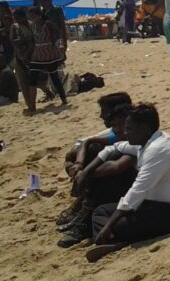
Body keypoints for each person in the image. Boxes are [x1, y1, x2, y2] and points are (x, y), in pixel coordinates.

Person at [86, 104, 170, 262]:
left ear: (144, 129)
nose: (125, 133)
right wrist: (85, 172)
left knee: (115, 224)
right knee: (100, 212)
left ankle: (115, 239)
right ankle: (114, 239)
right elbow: (114, 147)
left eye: (129, 129)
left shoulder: (158, 149)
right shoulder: (145, 143)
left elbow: (137, 190)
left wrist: (109, 226)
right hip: (155, 204)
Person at [58, 103, 138, 247]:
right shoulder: (119, 138)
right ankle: (84, 211)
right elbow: (87, 143)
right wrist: (78, 165)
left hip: (139, 193)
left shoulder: (138, 141)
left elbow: (118, 166)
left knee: (106, 170)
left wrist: (85, 175)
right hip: (128, 188)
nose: (118, 129)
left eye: (122, 124)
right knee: (95, 151)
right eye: (115, 125)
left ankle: (86, 217)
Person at [27, 6, 68, 108]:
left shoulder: (48, 24)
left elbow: (58, 34)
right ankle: (32, 106)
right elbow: (32, 40)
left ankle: (64, 99)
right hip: (37, 54)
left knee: (55, 79)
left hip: (49, 53)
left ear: (39, 16)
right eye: (30, 16)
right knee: (32, 78)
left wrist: (61, 45)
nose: (31, 18)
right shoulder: (32, 26)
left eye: (33, 16)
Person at [10, 8, 35, 112]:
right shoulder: (15, 27)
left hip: (33, 57)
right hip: (19, 56)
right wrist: (24, 40)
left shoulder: (32, 25)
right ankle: (30, 106)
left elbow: (34, 41)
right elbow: (13, 41)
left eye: (17, 18)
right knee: (23, 82)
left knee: (33, 82)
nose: (16, 20)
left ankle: (33, 103)